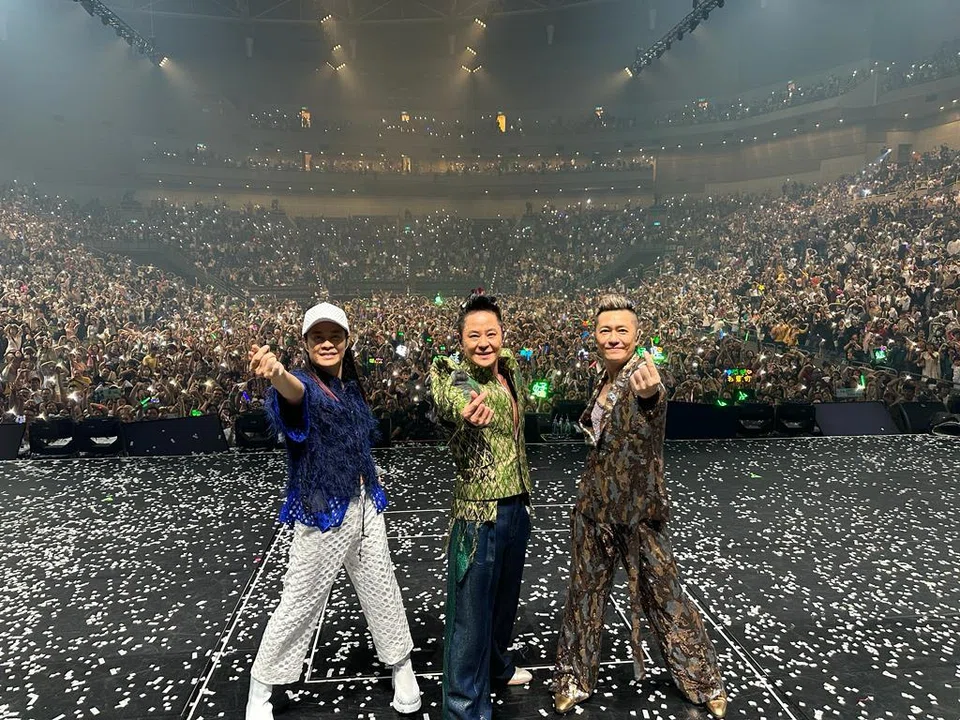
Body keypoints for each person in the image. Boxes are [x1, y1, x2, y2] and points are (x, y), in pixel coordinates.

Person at [552, 294, 728, 718]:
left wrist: (651, 397)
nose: (613, 338)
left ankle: (703, 683)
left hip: (639, 517)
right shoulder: (603, 379)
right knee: (584, 598)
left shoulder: (642, 377)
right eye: (605, 330)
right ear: (595, 336)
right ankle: (573, 679)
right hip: (594, 509)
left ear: (636, 336)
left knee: (667, 597)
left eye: (622, 331)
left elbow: (653, 406)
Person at [244, 302, 421, 720]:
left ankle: (401, 666)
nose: (327, 343)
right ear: (305, 344)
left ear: (347, 340)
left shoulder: (350, 386)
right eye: (318, 337)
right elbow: (294, 396)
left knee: (383, 589)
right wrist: (277, 374)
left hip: (365, 507)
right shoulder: (302, 383)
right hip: (323, 514)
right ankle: (261, 686)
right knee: (300, 602)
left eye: (335, 336)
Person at [429, 293, 534, 720]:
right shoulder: (455, 377)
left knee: (502, 606)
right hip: (478, 516)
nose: (484, 343)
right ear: (461, 340)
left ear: (503, 336)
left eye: (491, 333)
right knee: (470, 620)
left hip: (516, 508)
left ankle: (496, 667)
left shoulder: (508, 371)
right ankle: (464, 709)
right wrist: (465, 412)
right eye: (474, 336)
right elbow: (450, 397)